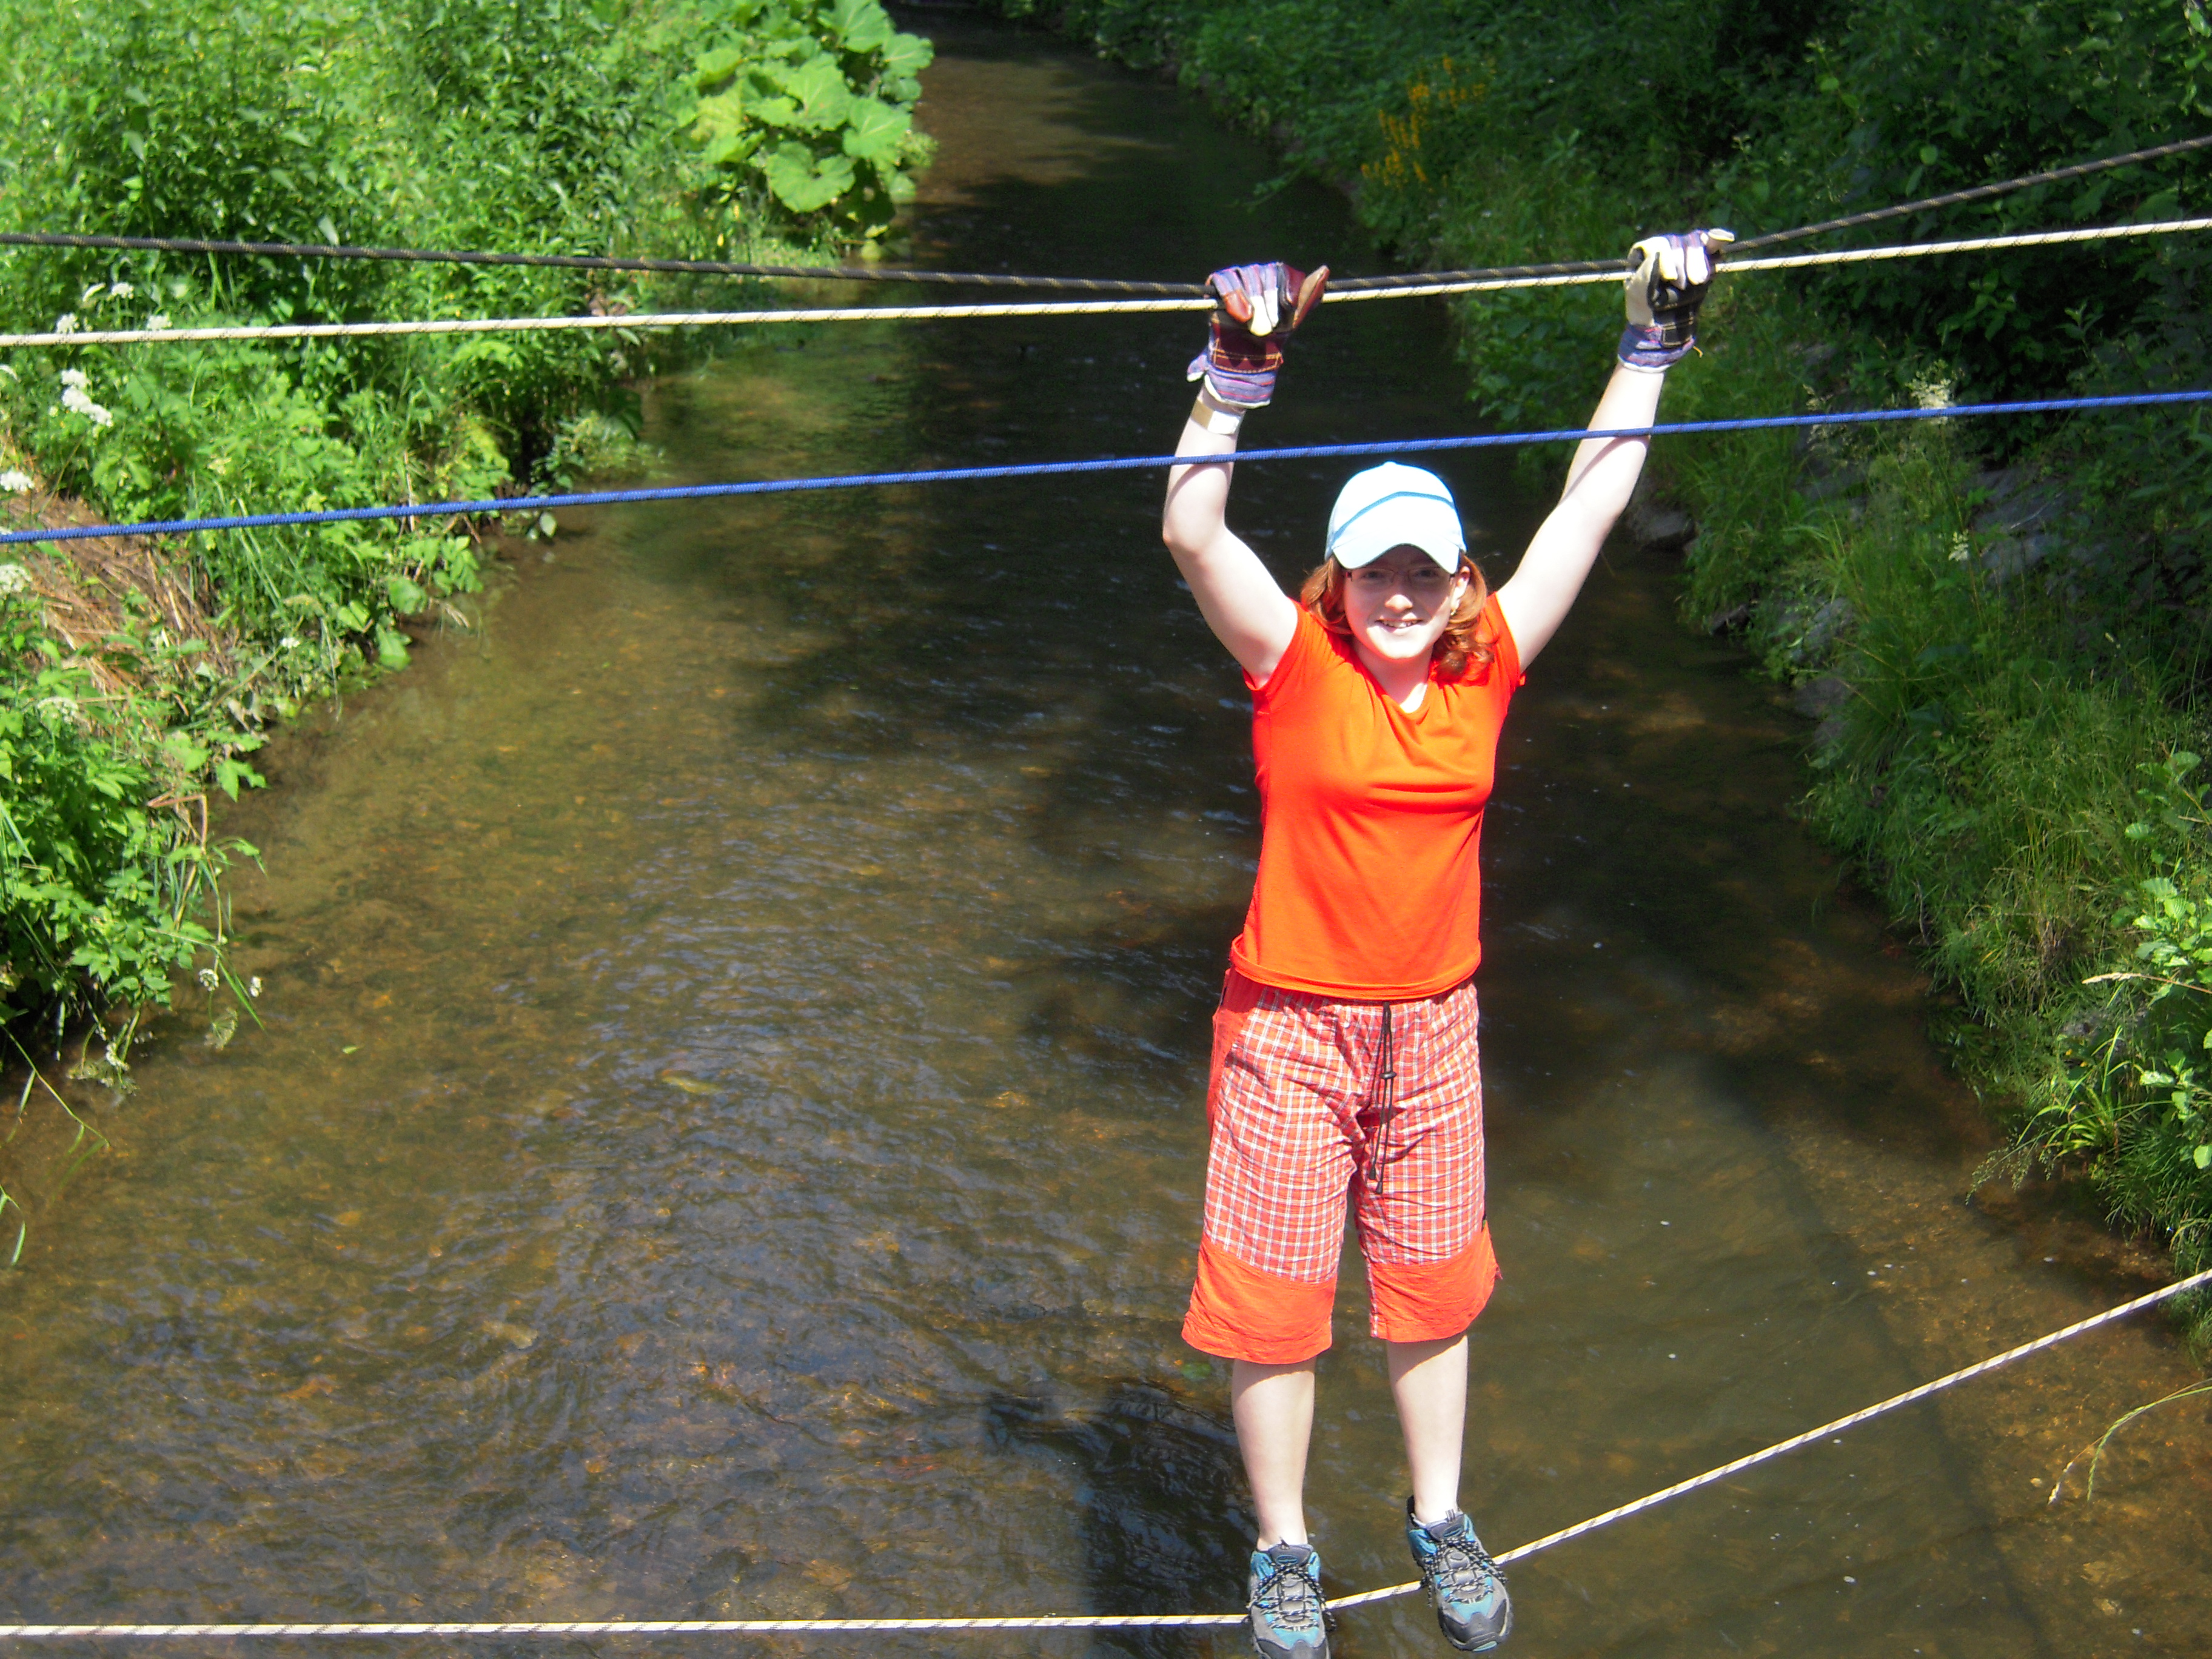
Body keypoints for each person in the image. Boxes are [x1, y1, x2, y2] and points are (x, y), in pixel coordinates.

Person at [1160, 230, 1728, 1659]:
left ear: (1459, 577)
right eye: (1375, 572)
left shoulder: (1491, 669)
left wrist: (1649, 345)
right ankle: (1284, 1548)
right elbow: (1192, 532)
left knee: (1432, 1287)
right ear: (1337, 580)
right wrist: (1233, 379)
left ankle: (1441, 1520)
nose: (1401, 593)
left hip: (1432, 1029)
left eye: (1424, 569)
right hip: (1290, 1028)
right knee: (1274, 1302)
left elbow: (1590, 509)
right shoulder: (1293, 666)